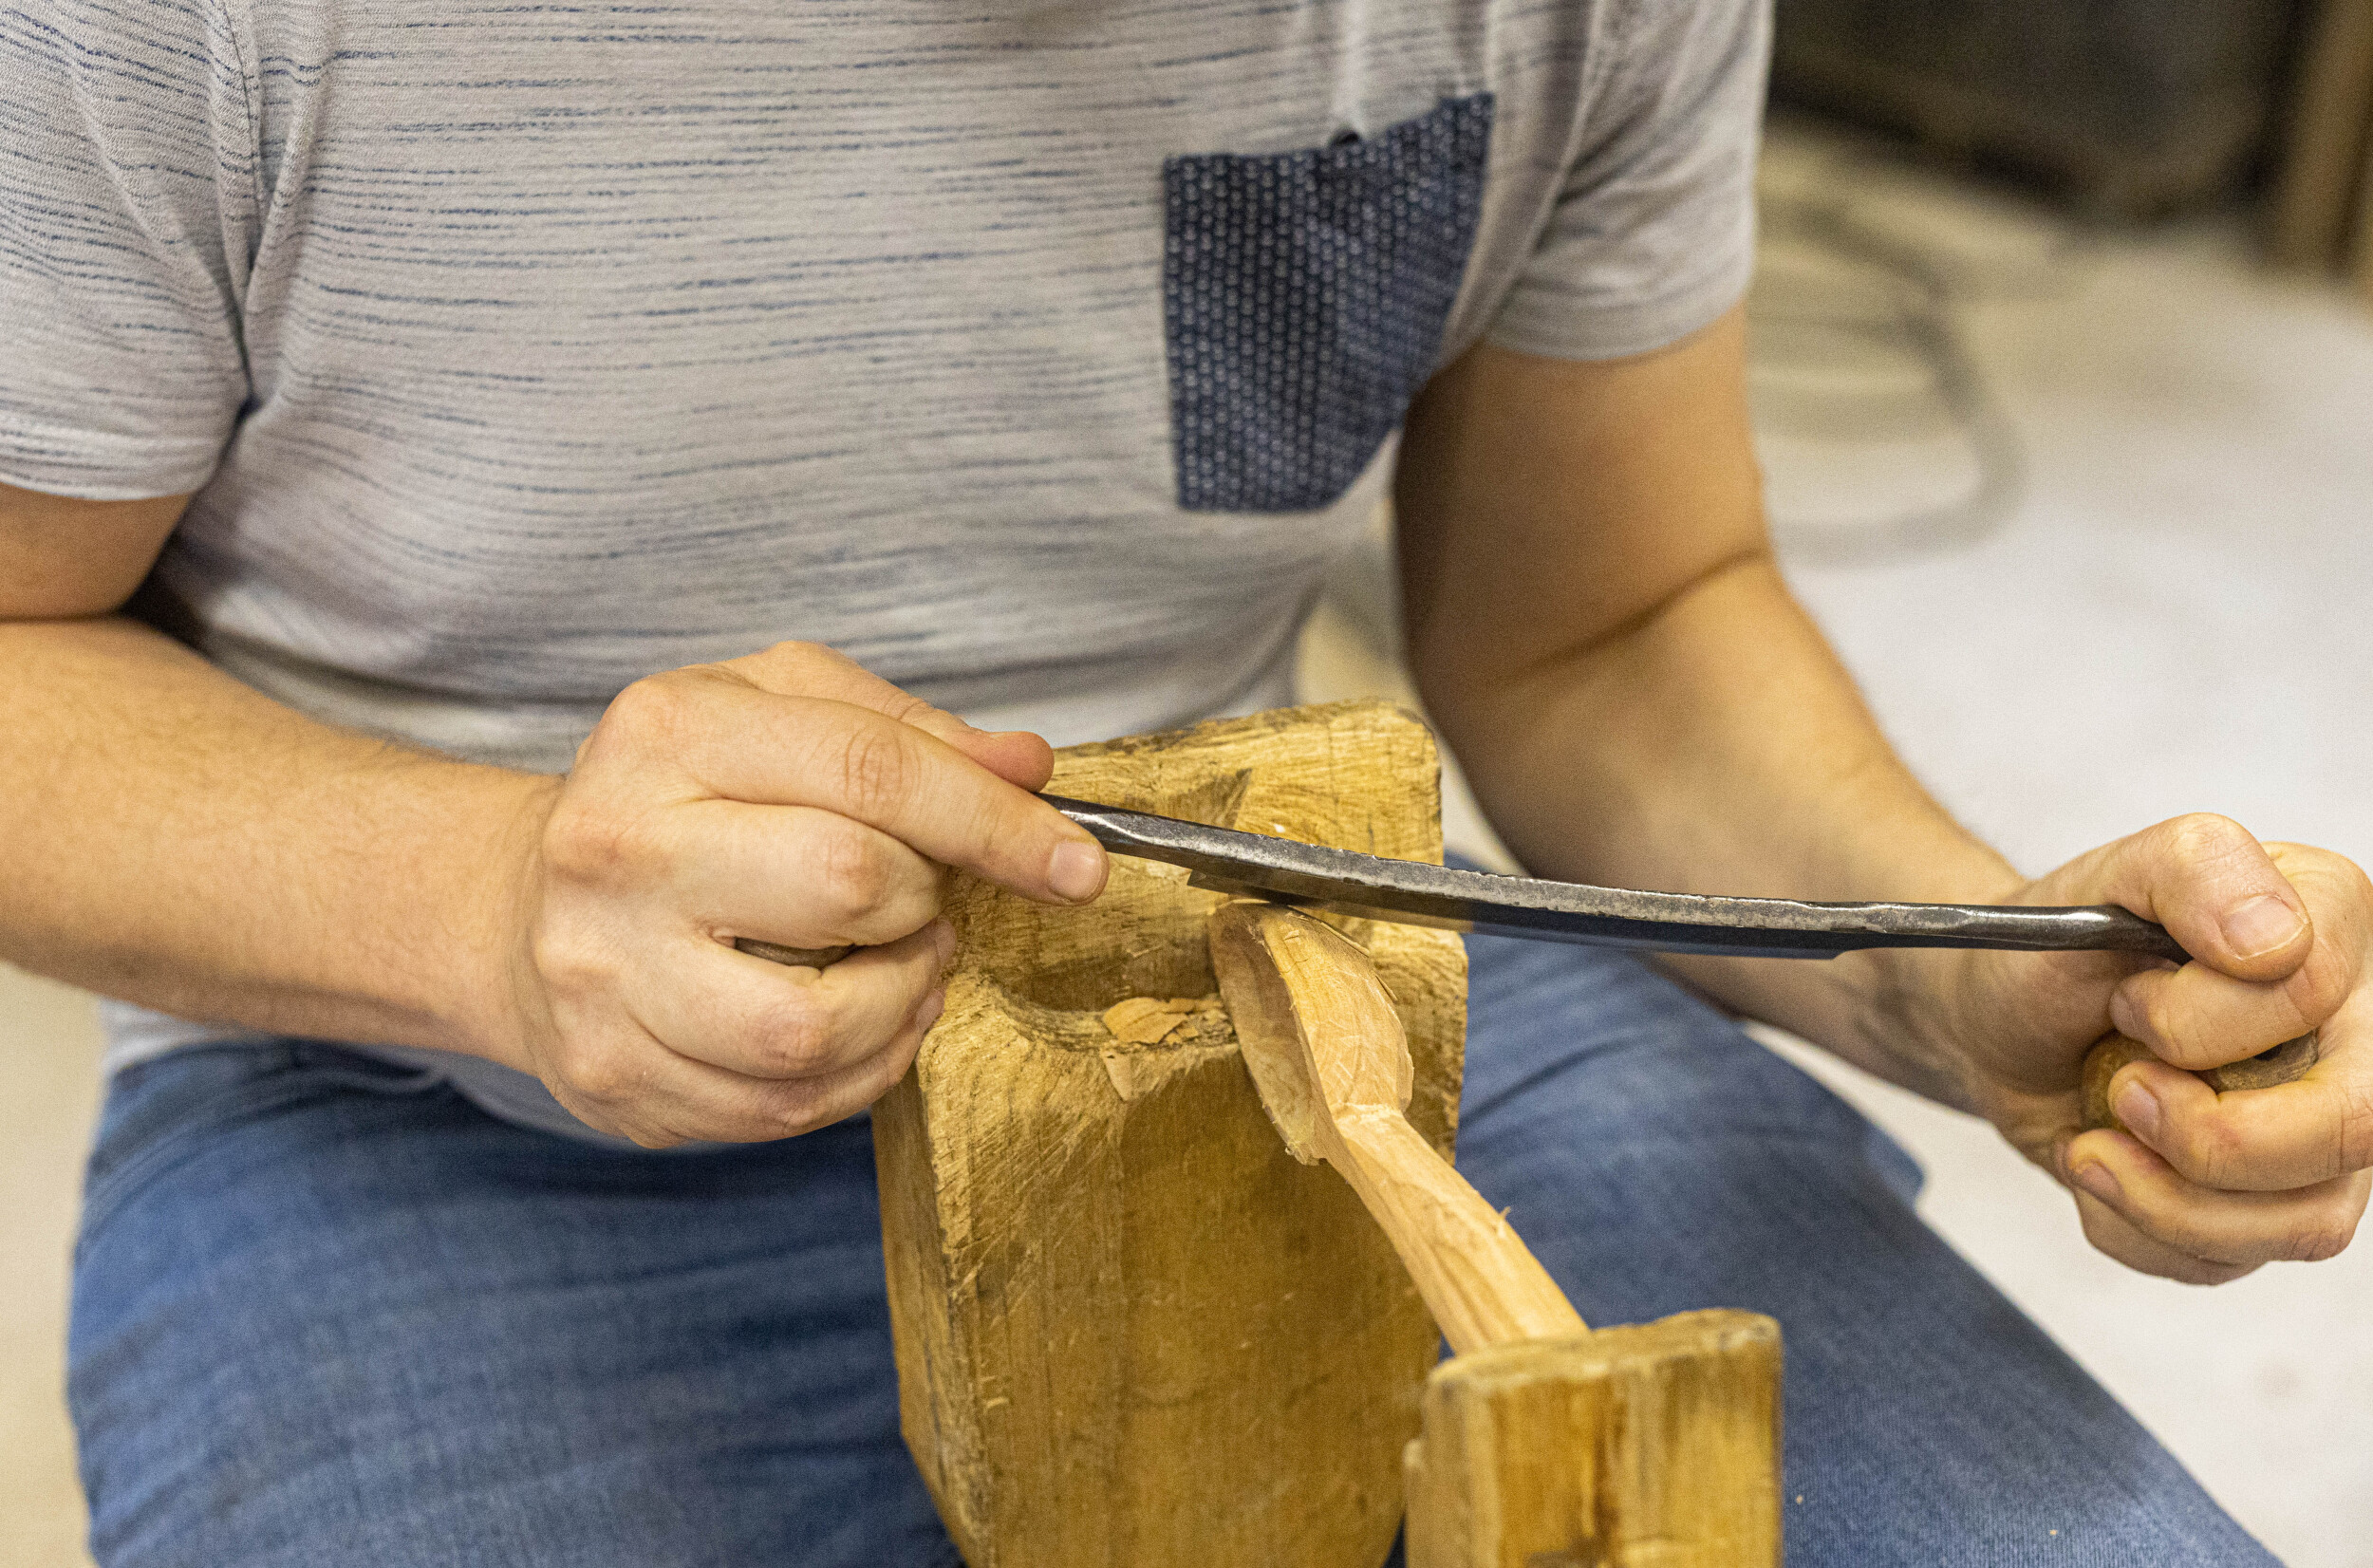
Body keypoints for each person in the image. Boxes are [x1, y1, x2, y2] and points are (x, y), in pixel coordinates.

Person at [3, 0, 2364, 1561]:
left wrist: (1932, 967)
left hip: (1302, 960)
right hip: (432, 1097)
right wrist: (494, 898)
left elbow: (1604, 621)